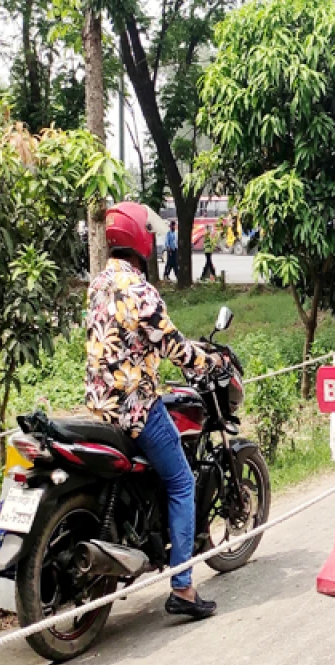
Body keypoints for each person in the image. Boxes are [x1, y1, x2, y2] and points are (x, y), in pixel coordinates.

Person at [86, 201, 223, 618]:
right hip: (136, 408)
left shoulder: (98, 283)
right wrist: (208, 361)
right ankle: (182, 588)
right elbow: (172, 345)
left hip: (100, 406)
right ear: (139, 238)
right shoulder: (140, 289)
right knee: (182, 481)